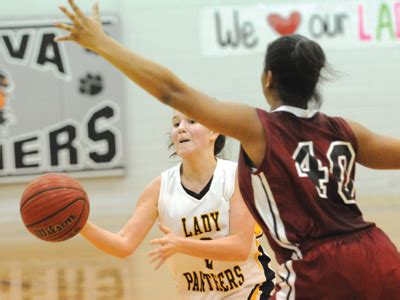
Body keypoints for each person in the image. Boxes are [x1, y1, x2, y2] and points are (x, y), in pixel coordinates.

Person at [55, 1, 400, 299]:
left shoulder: (259, 127)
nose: (182, 128)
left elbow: (173, 91)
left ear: (267, 79)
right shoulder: (347, 130)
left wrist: (101, 44)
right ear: (315, 81)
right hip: (378, 254)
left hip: (316, 267)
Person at [78, 110, 274, 299]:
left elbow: (238, 248)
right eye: (175, 123)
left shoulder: (237, 177)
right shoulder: (158, 189)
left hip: (250, 291)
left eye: (191, 121)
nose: (180, 128)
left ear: (214, 131)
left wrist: (181, 244)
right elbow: (123, 244)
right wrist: (80, 224)